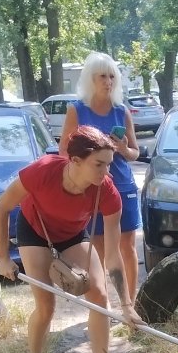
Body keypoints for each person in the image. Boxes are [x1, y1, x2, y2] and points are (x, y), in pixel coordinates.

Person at [0, 126, 142, 353]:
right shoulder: (42, 171)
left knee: (99, 296)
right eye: (99, 165)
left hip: (72, 234)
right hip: (36, 231)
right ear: (75, 161)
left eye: (109, 164)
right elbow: (2, 207)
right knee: (46, 305)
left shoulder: (107, 192)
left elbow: (112, 254)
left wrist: (127, 305)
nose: (106, 173)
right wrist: (2, 257)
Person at [59, 51, 141, 300]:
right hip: (90, 187)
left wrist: (123, 148)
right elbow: (64, 151)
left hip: (122, 185)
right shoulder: (76, 110)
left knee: (126, 246)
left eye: (112, 76)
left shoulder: (121, 112)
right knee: (99, 249)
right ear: (90, 80)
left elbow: (134, 153)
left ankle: (131, 304)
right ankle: (101, 305)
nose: (108, 81)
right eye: (102, 76)